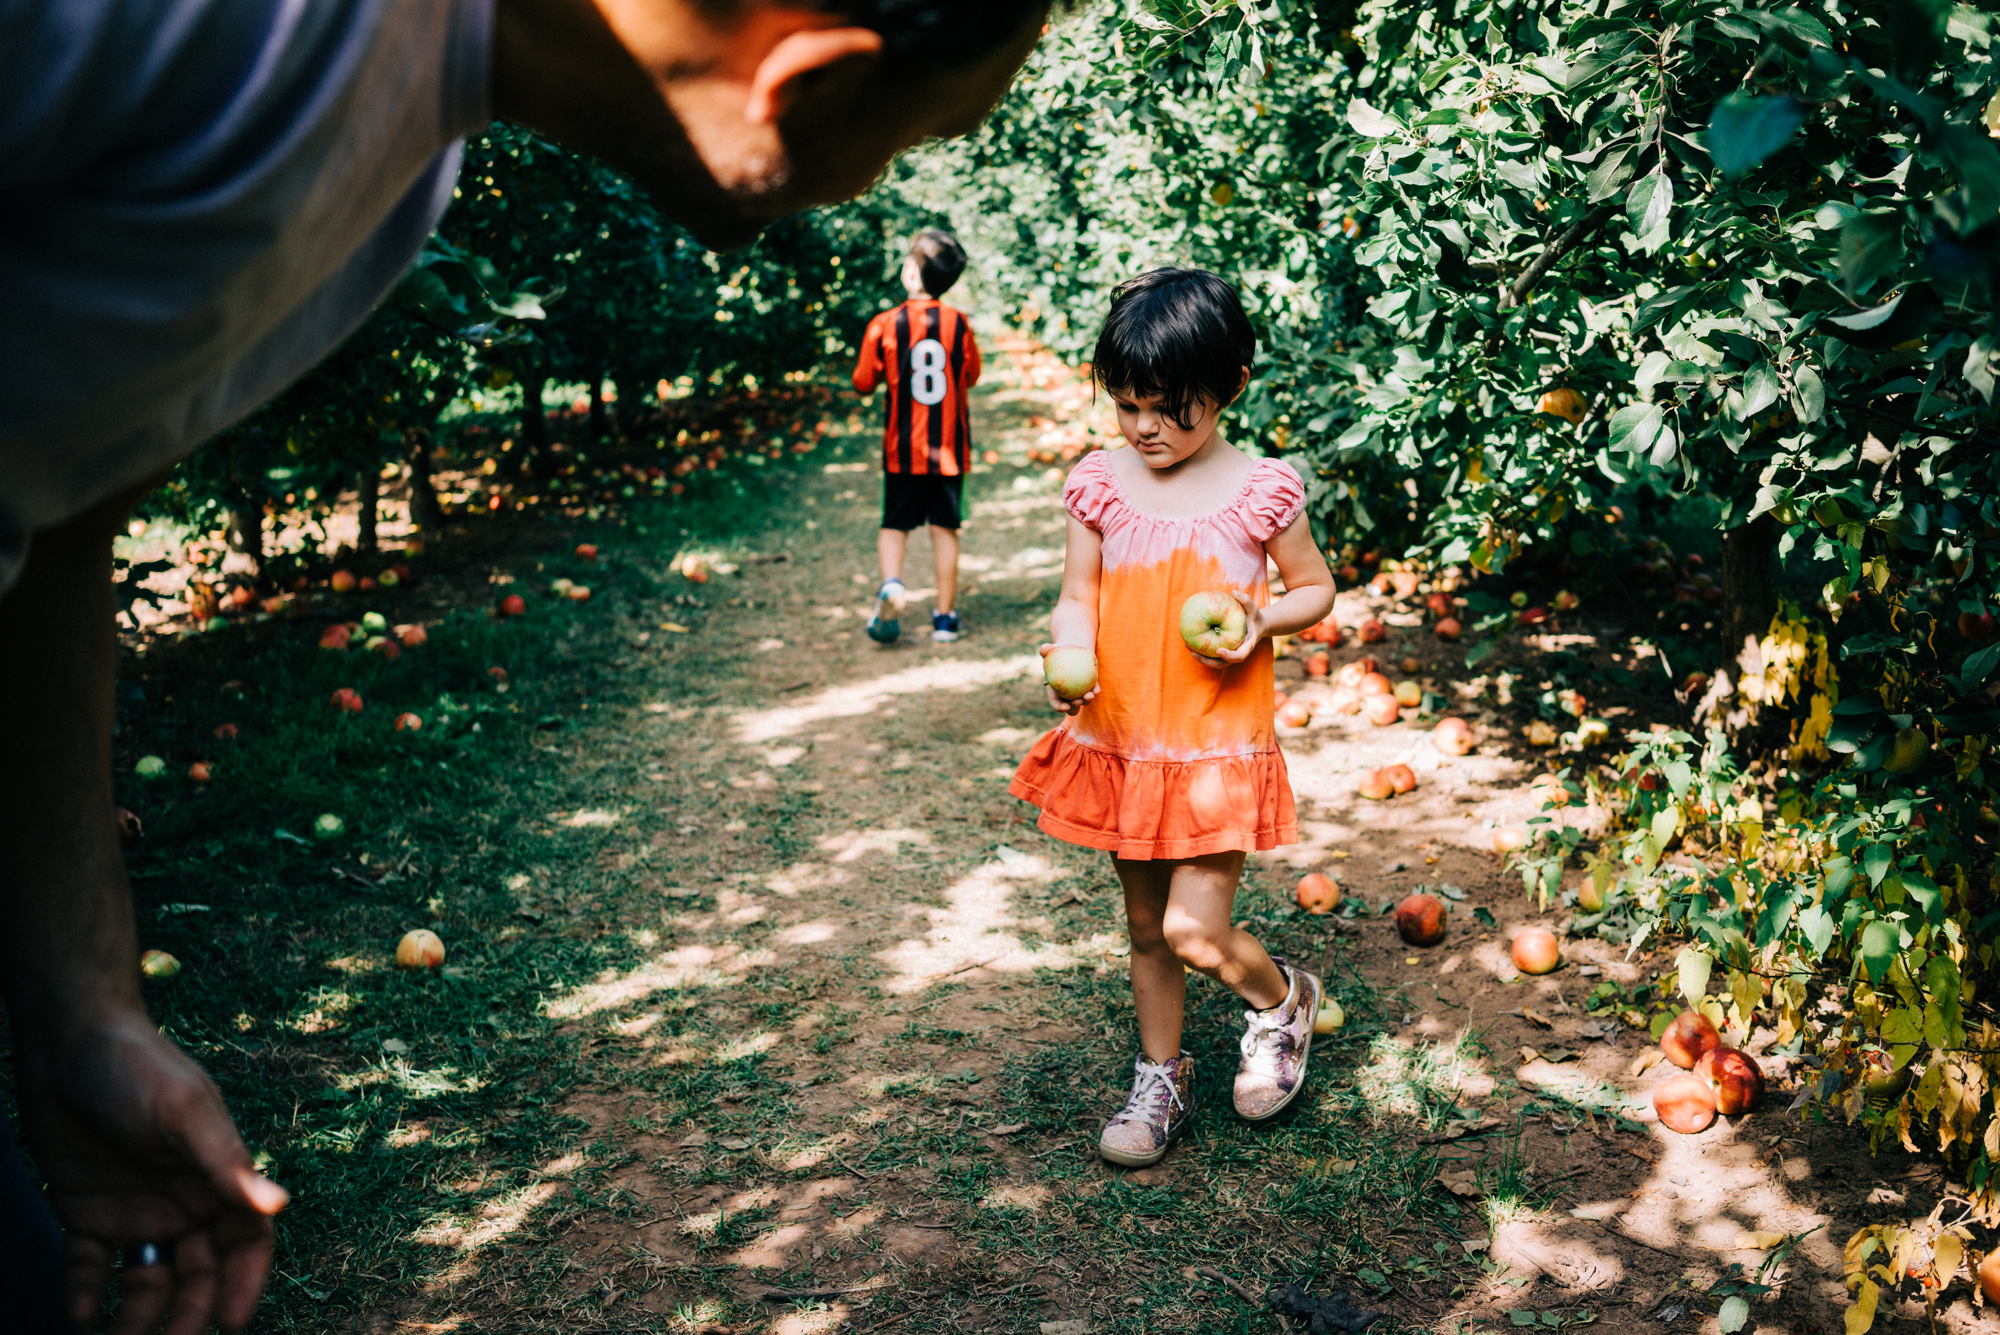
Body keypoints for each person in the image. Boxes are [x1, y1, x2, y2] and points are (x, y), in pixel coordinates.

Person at [0, 2, 1049, 1330]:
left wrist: (81, 998)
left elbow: (58, 481)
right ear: (811, 80)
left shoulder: (406, 140)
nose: (890, 176)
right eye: (929, 128)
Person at [1008, 268, 1337, 1169]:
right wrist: (1066, 656)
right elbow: (1078, 597)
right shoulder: (1101, 484)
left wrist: (1263, 618)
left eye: (1169, 407)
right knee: (1148, 927)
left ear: (1229, 385)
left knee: (1197, 930)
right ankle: (1162, 1076)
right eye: (1128, 405)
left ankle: (1280, 1003)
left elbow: (1315, 588)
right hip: (1123, 739)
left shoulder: (1260, 490)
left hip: (1215, 743)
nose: (1146, 426)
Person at [851, 228, 982, 644]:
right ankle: (944, 617)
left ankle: (891, 584)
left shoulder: (885, 324)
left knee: (895, 524)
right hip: (949, 451)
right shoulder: (959, 324)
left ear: (910, 273)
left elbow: (862, 381)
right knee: (945, 529)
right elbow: (972, 375)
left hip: (902, 451)